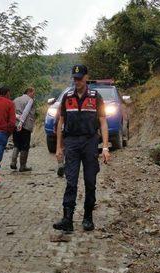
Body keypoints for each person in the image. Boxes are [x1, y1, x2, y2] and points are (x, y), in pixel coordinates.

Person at [53, 65, 111, 233]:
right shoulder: (67, 96)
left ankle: (87, 217)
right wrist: (59, 147)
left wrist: (105, 147)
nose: (76, 81)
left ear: (86, 77)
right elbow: (60, 122)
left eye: (79, 78)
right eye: (74, 78)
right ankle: (67, 218)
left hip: (90, 142)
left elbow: (103, 121)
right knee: (70, 181)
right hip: (71, 142)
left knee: (90, 181)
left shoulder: (95, 97)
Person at [10, 87, 36, 172]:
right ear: (29, 92)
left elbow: (11, 112)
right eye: (33, 93)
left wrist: (17, 119)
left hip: (15, 124)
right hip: (25, 125)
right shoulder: (30, 100)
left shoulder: (15, 100)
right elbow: (26, 112)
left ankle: (13, 162)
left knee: (16, 144)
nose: (34, 95)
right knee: (25, 145)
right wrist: (21, 122)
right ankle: (22, 166)